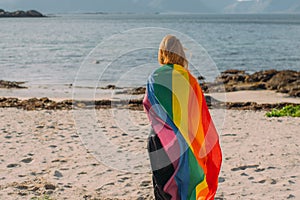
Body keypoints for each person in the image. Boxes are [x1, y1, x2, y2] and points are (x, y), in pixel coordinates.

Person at [143, 35, 222, 200]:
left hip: (159, 138)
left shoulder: (155, 76)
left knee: (161, 187)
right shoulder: (190, 79)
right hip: (184, 142)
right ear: (181, 54)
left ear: (162, 53)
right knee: (184, 186)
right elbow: (199, 114)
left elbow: (147, 104)